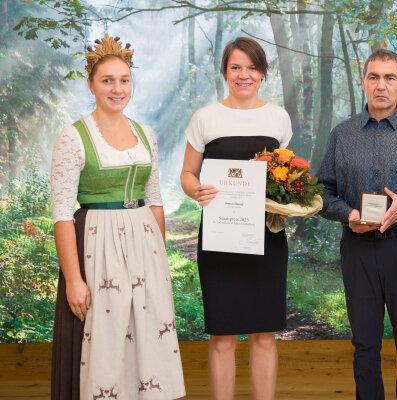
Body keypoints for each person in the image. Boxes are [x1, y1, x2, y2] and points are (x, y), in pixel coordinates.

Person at [50, 35, 185, 400]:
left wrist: (161, 264)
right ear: (91, 84)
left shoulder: (145, 134)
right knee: (105, 341)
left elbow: (154, 199)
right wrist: (74, 279)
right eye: (107, 80)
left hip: (143, 248)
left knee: (145, 339)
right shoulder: (73, 137)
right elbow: (63, 214)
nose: (117, 88)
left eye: (124, 80)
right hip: (97, 244)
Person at [316, 49, 397, 400]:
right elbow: (323, 192)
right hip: (357, 249)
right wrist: (349, 214)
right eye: (374, 77)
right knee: (365, 344)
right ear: (364, 81)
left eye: (389, 78)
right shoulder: (343, 134)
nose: (381, 86)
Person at [180, 37, 292, 400]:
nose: (244, 74)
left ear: (262, 73)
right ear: (225, 72)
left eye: (252, 67)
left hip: (267, 238)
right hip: (219, 237)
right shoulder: (205, 117)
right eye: (235, 67)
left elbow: (285, 175)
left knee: (264, 333)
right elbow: (186, 174)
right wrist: (196, 190)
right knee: (223, 334)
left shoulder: (278, 117)